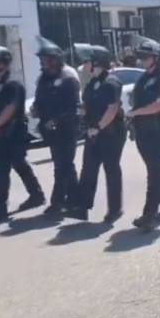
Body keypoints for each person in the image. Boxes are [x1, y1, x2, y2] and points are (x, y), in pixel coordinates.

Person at [0, 44, 46, 222]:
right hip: (1, 132)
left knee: (1, 170)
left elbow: (10, 108)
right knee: (19, 163)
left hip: (11, 132)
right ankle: (36, 194)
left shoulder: (12, 84)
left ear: (2, 63)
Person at [66, 44, 127, 223]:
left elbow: (113, 109)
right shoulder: (93, 83)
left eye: (87, 62)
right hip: (94, 132)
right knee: (88, 170)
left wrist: (99, 127)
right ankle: (82, 208)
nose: (84, 65)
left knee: (111, 170)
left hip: (110, 132)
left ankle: (115, 209)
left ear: (97, 63)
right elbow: (88, 103)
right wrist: (83, 111)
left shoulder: (111, 83)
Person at [127, 40, 160, 232]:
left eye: (146, 57)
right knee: (156, 172)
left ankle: (149, 214)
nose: (142, 60)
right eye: (141, 56)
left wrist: (136, 112)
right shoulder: (142, 79)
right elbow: (135, 100)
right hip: (144, 132)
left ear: (156, 58)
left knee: (154, 172)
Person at [31, 37, 81, 216]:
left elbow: (73, 108)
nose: (43, 62)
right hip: (48, 130)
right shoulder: (43, 79)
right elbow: (39, 100)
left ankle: (57, 203)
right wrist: (36, 109)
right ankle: (77, 199)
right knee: (65, 165)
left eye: (47, 58)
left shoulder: (68, 79)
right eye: (42, 59)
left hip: (66, 129)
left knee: (62, 166)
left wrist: (57, 120)